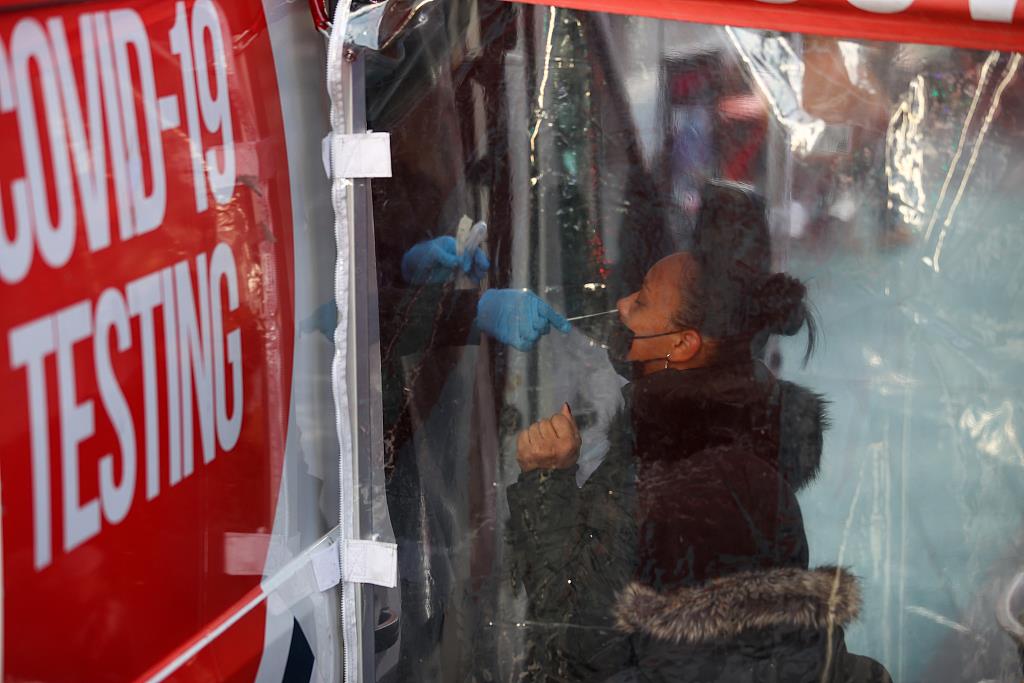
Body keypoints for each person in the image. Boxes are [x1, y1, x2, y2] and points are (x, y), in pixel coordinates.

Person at [506, 181, 891, 682]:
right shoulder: (724, 448)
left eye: (642, 302)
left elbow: (580, 643)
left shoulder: (677, 484)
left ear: (683, 344)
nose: (621, 305)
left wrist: (546, 482)